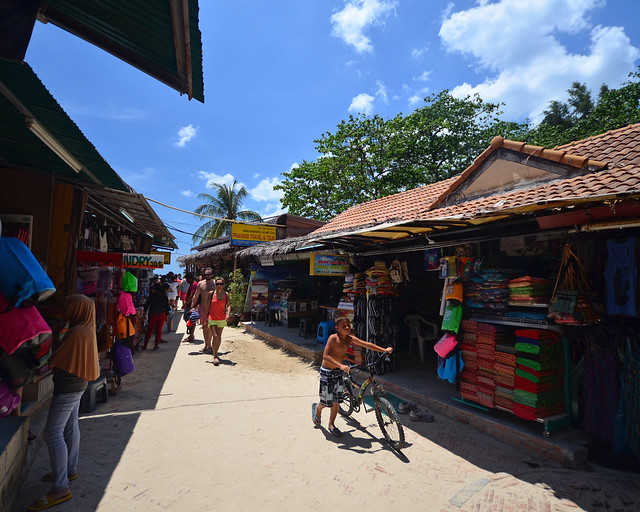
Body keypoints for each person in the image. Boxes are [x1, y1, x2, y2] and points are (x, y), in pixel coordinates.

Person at [28, 295, 99, 511]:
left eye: (68, 307)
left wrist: (57, 335)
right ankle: (69, 469)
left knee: (53, 433)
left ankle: (60, 487)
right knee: (70, 426)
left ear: (77, 309)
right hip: (77, 383)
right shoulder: (85, 327)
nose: (65, 310)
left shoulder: (77, 332)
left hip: (68, 386)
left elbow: (56, 358)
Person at [312, 316, 392, 437]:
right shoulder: (333, 338)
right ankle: (317, 409)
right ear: (337, 328)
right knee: (326, 401)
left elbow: (367, 344)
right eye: (343, 326)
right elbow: (326, 356)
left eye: (348, 324)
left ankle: (331, 424)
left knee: (336, 400)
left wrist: (384, 350)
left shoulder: (350, 339)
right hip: (327, 371)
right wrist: (340, 365)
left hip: (338, 371)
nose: (347, 327)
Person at [204, 277, 231, 366]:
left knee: (219, 337)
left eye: (221, 284)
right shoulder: (211, 294)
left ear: (223, 285)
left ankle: (216, 352)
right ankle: (215, 356)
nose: (219, 286)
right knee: (215, 336)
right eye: (217, 284)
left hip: (221, 318)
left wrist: (228, 314)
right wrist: (204, 318)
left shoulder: (226, 294)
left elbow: (228, 304)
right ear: (215, 285)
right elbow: (207, 305)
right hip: (212, 318)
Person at [189, 268, 216, 353]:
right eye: (205, 274)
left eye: (209, 274)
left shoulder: (216, 283)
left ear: (212, 275)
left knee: (211, 326)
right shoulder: (200, 284)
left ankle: (210, 345)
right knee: (204, 326)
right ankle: (206, 345)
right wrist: (192, 306)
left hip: (213, 307)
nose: (207, 276)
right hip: (203, 307)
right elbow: (196, 295)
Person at [142, 283, 169, 350]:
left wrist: (144, 314)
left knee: (149, 330)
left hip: (153, 314)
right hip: (162, 314)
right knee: (159, 330)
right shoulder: (164, 296)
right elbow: (166, 307)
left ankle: (145, 346)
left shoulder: (151, 296)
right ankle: (156, 345)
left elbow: (146, 306)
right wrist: (167, 316)